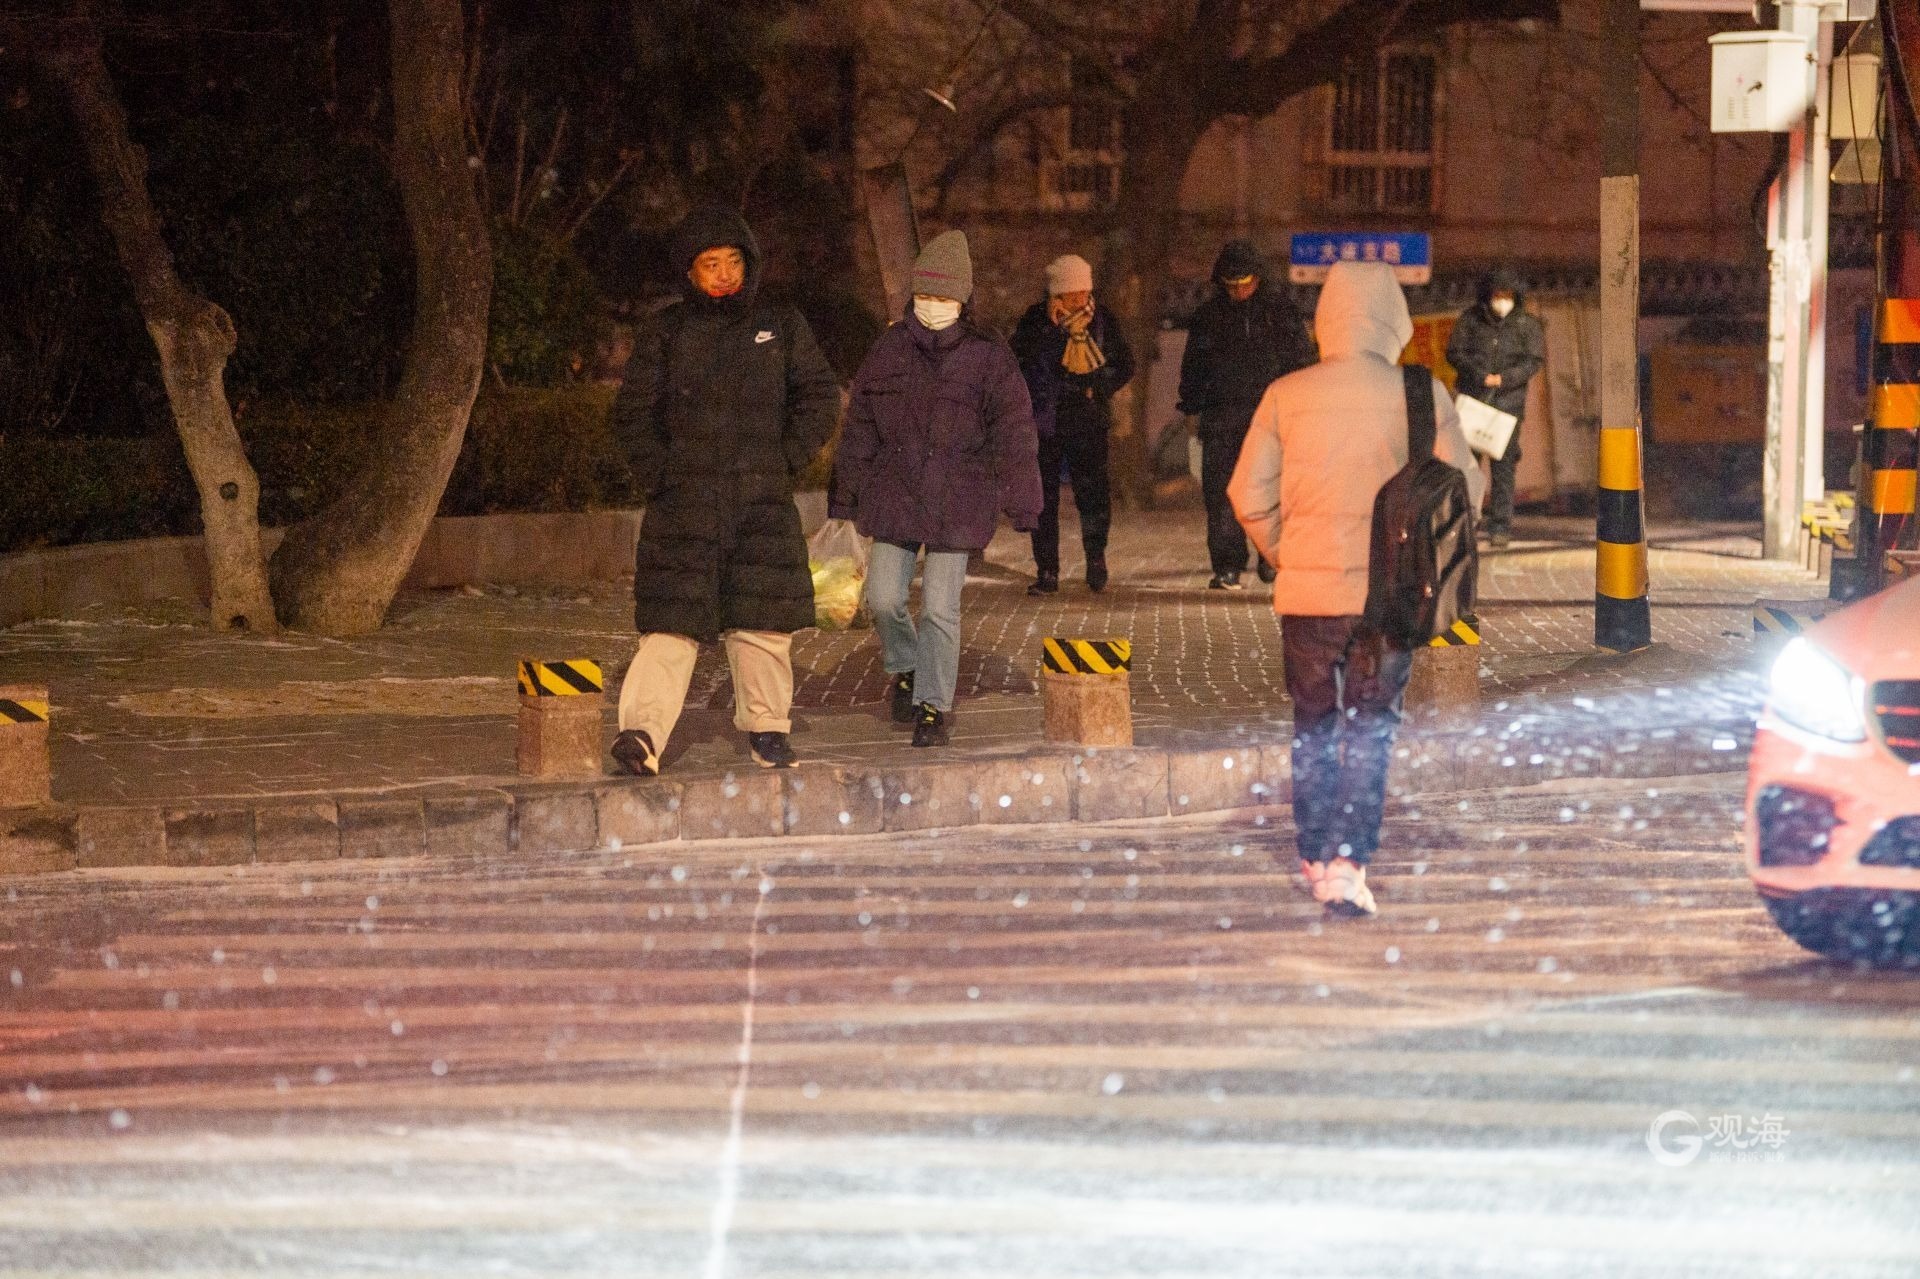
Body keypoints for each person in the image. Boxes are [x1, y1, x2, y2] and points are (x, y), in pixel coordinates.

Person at [1229, 261, 1485, 917]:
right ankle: (1348, 863)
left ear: (1326, 320)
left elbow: (1245, 494)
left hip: (1308, 602)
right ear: (1393, 319)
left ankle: (1313, 853)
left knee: (1313, 722)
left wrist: (1290, 554)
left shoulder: (1285, 393)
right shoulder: (1421, 393)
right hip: (1388, 600)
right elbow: (1466, 493)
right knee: (1370, 727)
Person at [606, 206, 839, 775]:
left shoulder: (780, 324)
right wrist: (660, 475)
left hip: (760, 504)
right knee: (669, 626)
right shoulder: (666, 332)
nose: (723, 275)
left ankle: (768, 729)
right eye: (710, 264)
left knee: (761, 626)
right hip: (681, 507)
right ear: (690, 273)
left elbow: (818, 396)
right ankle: (641, 734)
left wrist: (784, 461)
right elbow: (633, 412)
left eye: (733, 261)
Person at [829, 230, 1041, 747]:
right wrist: (845, 494)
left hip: (959, 498)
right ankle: (905, 665)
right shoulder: (888, 349)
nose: (933, 307)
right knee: (881, 599)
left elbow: (1014, 432)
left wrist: (1024, 503)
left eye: (944, 298)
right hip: (896, 492)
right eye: (925, 296)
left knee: (942, 608)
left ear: (964, 301)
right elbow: (860, 425)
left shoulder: (989, 357)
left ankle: (932, 705)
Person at [1177, 238, 1316, 590]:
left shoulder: (1279, 312)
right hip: (1222, 419)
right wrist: (1192, 408)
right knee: (1222, 496)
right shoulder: (1209, 317)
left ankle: (1271, 557)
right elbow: (1193, 367)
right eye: (1231, 285)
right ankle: (1227, 565)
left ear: (1258, 279)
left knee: (1273, 492)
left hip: (1271, 420)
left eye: (1245, 283)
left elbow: (1301, 361)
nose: (1239, 291)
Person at [1010, 253, 1135, 595]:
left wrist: (1100, 387)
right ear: (1056, 295)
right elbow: (1019, 362)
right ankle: (1047, 569)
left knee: (1093, 495)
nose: (1079, 300)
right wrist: (1050, 333)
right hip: (1046, 422)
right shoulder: (1036, 321)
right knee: (1043, 499)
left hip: (1088, 419)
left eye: (1083, 292)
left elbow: (1125, 363)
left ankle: (1096, 558)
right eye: (1071, 294)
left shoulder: (1102, 321)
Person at [1446, 268, 1544, 549]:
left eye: (1508, 295)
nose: (1502, 301)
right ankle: (1466, 522)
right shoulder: (1470, 321)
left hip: (1507, 409)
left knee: (1504, 471)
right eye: (1498, 295)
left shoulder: (1527, 324)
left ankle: (1500, 527)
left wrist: (1505, 379)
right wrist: (1480, 376)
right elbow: (1454, 352)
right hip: (1474, 405)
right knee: (1466, 468)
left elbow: (1533, 361)